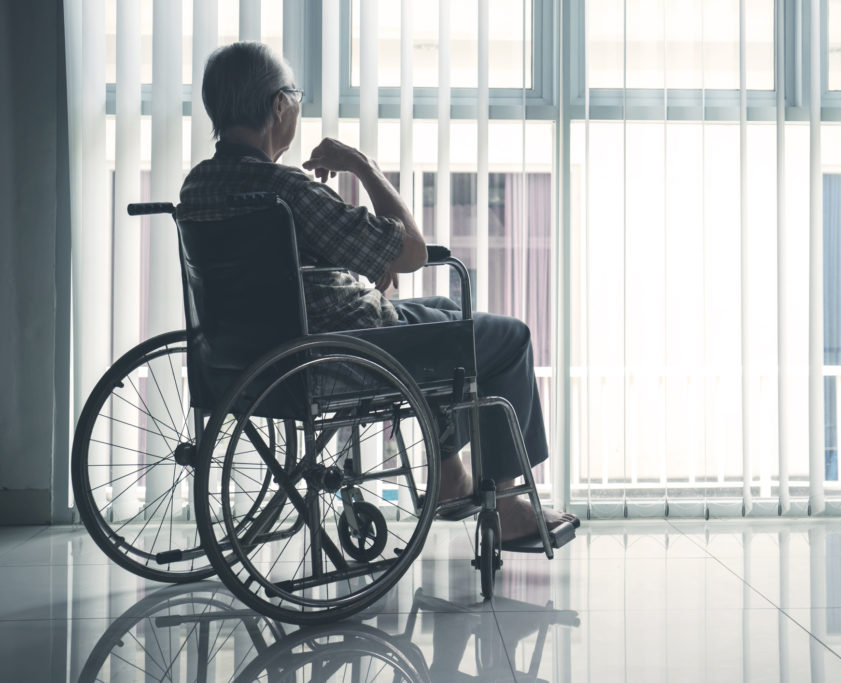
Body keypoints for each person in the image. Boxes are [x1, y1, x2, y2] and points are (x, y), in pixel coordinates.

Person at [179, 41, 576, 541]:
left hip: (247, 359)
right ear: (279, 105)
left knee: (444, 315)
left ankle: (452, 478)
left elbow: (275, 272)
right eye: (295, 95)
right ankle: (509, 506)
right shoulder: (290, 191)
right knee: (506, 337)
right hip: (339, 353)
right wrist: (360, 163)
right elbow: (409, 253)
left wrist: (352, 267)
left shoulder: (196, 189)